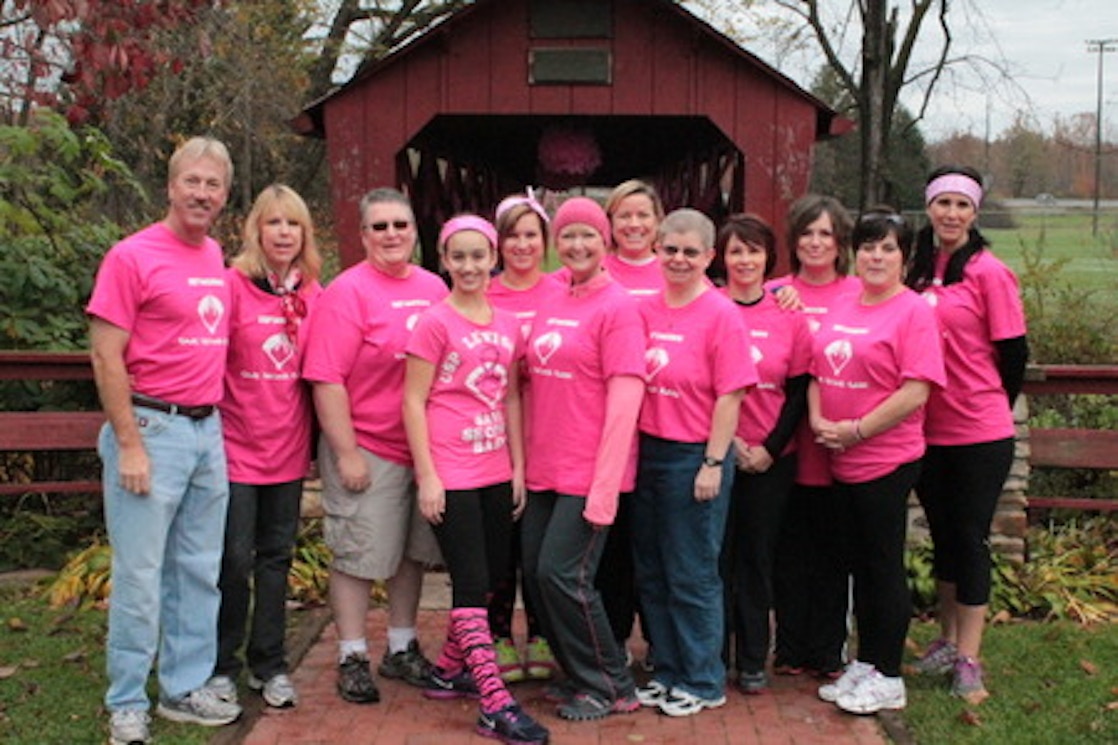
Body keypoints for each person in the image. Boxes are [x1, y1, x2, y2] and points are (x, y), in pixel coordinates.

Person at [88, 136, 242, 745]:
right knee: (141, 576)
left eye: (213, 185)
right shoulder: (132, 257)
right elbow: (104, 354)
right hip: (151, 429)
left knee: (198, 572)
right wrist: (128, 443)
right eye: (192, 182)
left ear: (224, 196)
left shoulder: (214, 256)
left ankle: (183, 686)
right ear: (171, 186)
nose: (201, 194)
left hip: (207, 431)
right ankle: (127, 699)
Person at [402, 214, 550, 745]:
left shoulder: (507, 323)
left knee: (486, 578)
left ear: (494, 259)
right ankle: (494, 703)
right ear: (444, 261)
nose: (469, 266)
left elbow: (510, 395)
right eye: (457, 256)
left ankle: (447, 671)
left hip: (493, 467)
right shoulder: (434, 322)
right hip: (452, 468)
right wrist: (428, 476)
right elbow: (413, 401)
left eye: (477, 256)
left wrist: (516, 466)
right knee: (468, 583)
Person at [302, 188, 447, 704]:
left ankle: (402, 647)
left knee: (411, 554)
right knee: (360, 556)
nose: (391, 235)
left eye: (400, 225)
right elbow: (327, 378)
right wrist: (345, 453)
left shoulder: (434, 288)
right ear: (363, 235)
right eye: (380, 226)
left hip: (424, 450)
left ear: (414, 231)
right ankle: (353, 653)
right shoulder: (348, 293)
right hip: (368, 445)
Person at [809, 209, 945, 715]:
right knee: (860, 567)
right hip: (840, 456)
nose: (876, 256)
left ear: (905, 259)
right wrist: (824, 420)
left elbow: (916, 390)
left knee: (883, 565)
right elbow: (820, 365)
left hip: (886, 458)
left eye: (888, 248)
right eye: (868, 246)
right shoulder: (847, 298)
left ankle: (889, 675)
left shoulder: (914, 312)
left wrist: (857, 430)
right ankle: (865, 663)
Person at [520, 196, 645, 721]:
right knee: (536, 572)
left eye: (588, 235)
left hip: (589, 468)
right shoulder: (552, 296)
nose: (577, 245)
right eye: (568, 235)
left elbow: (626, 399)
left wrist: (605, 484)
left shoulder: (617, 307)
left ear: (605, 242)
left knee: (564, 575)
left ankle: (612, 684)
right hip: (545, 465)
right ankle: (577, 672)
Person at [906, 166, 1028, 704]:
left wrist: (986, 406)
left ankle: (971, 660)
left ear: (975, 212)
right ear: (928, 208)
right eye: (942, 203)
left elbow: (1015, 353)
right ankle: (948, 641)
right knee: (944, 539)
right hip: (925, 430)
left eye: (962, 205)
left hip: (978, 431)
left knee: (970, 540)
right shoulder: (918, 266)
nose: (951, 214)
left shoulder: (989, 272)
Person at [632, 208, 756, 718]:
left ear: (709, 256)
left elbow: (731, 395)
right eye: (670, 249)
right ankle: (666, 668)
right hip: (648, 452)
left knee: (692, 573)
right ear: (657, 250)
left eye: (690, 252)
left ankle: (703, 677)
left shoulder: (721, 314)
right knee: (653, 571)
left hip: (693, 456)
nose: (679, 260)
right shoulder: (644, 310)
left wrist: (712, 461)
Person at [206, 184, 323, 710]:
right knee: (232, 559)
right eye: (273, 222)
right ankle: (221, 666)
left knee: (275, 558)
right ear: (255, 229)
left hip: (288, 448)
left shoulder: (314, 294)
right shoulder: (232, 286)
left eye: (293, 224)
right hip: (236, 446)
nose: (283, 233)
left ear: (304, 234)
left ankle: (269, 664)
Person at [716, 214, 812, 695]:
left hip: (771, 458)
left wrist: (768, 450)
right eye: (735, 251)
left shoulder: (788, 314)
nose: (745, 260)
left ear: (767, 258)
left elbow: (797, 393)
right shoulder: (708, 308)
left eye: (753, 251)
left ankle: (753, 657)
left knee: (756, 559)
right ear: (722, 257)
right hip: (716, 452)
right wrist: (729, 445)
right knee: (715, 558)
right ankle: (713, 653)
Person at [768, 195, 860, 681]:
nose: (816, 243)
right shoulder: (774, 292)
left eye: (826, 234)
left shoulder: (860, 292)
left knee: (833, 554)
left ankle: (828, 648)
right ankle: (790, 645)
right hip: (786, 447)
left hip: (842, 447)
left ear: (840, 241)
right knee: (790, 553)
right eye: (807, 233)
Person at [485, 192, 561, 683]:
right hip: (491, 437)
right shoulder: (483, 293)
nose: (521, 244)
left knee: (537, 549)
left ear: (545, 241)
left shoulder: (563, 290)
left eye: (531, 234)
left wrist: (776, 294)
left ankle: (539, 633)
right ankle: (495, 637)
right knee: (499, 547)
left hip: (550, 436)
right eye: (512, 235)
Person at [594, 179, 666, 669]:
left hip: (664, 429)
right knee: (612, 548)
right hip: (606, 431)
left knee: (658, 545)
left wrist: (781, 296)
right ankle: (614, 639)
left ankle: (661, 642)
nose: (634, 225)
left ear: (658, 220)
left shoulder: (679, 269)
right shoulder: (593, 273)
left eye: (642, 215)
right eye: (624, 216)